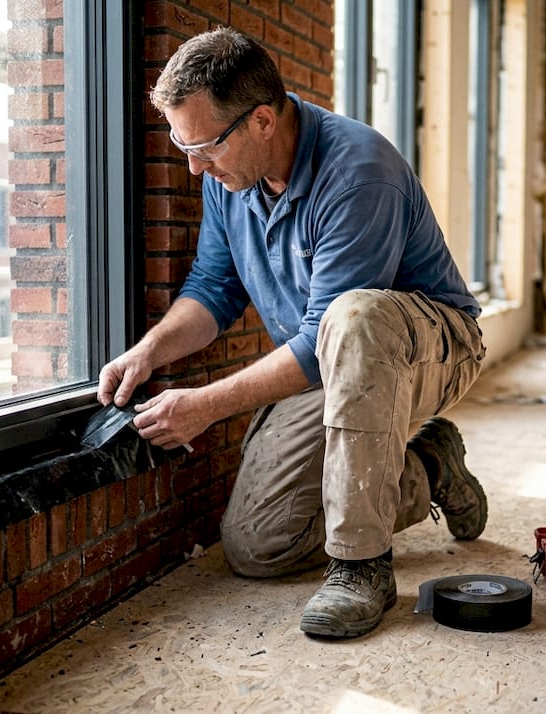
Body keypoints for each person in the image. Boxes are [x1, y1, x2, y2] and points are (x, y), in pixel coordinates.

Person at [97, 26, 487, 639]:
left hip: (428, 348)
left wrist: (205, 406)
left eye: (204, 147)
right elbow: (212, 289)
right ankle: (430, 467)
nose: (194, 167)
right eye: (180, 144)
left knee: (354, 317)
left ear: (260, 122)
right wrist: (149, 351)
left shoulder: (359, 171)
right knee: (258, 544)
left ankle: (361, 567)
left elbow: (327, 335)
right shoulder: (234, 180)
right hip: (328, 361)